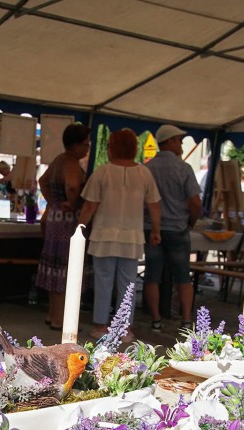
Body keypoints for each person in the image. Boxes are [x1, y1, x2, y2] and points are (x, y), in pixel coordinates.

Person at [79, 128, 161, 340]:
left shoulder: (102, 172)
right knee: (128, 284)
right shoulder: (144, 173)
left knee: (103, 281)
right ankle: (125, 329)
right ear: (134, 148)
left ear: (112, 148)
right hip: (132, 237)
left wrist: (79, 228)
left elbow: (89, 206)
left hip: (103, 235)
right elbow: (154, 205)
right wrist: (156, 230)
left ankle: (101, 325)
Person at [145, 124, 202, 331]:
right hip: (178, 228)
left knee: (152, 276)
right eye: (179, 141)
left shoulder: (148, 168)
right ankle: (186, 320)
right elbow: (195, 202)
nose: (181, 145)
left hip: (152, 228)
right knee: (183, 276)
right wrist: (191, 221)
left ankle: (156, 320)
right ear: (169, 142)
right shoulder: (183, 168)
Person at [36, 123, 91, 330]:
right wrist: (73, 203)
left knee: (54, 267)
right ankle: (60, 318)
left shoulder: (59, 159)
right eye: (85, 144)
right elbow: (73, 185)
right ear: (75, 145)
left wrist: (53, 202)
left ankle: (53, 314)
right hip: (68, 220)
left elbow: (42, 181)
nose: (87, 149)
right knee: (66, 268)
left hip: (55, 216)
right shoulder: (70, 162)